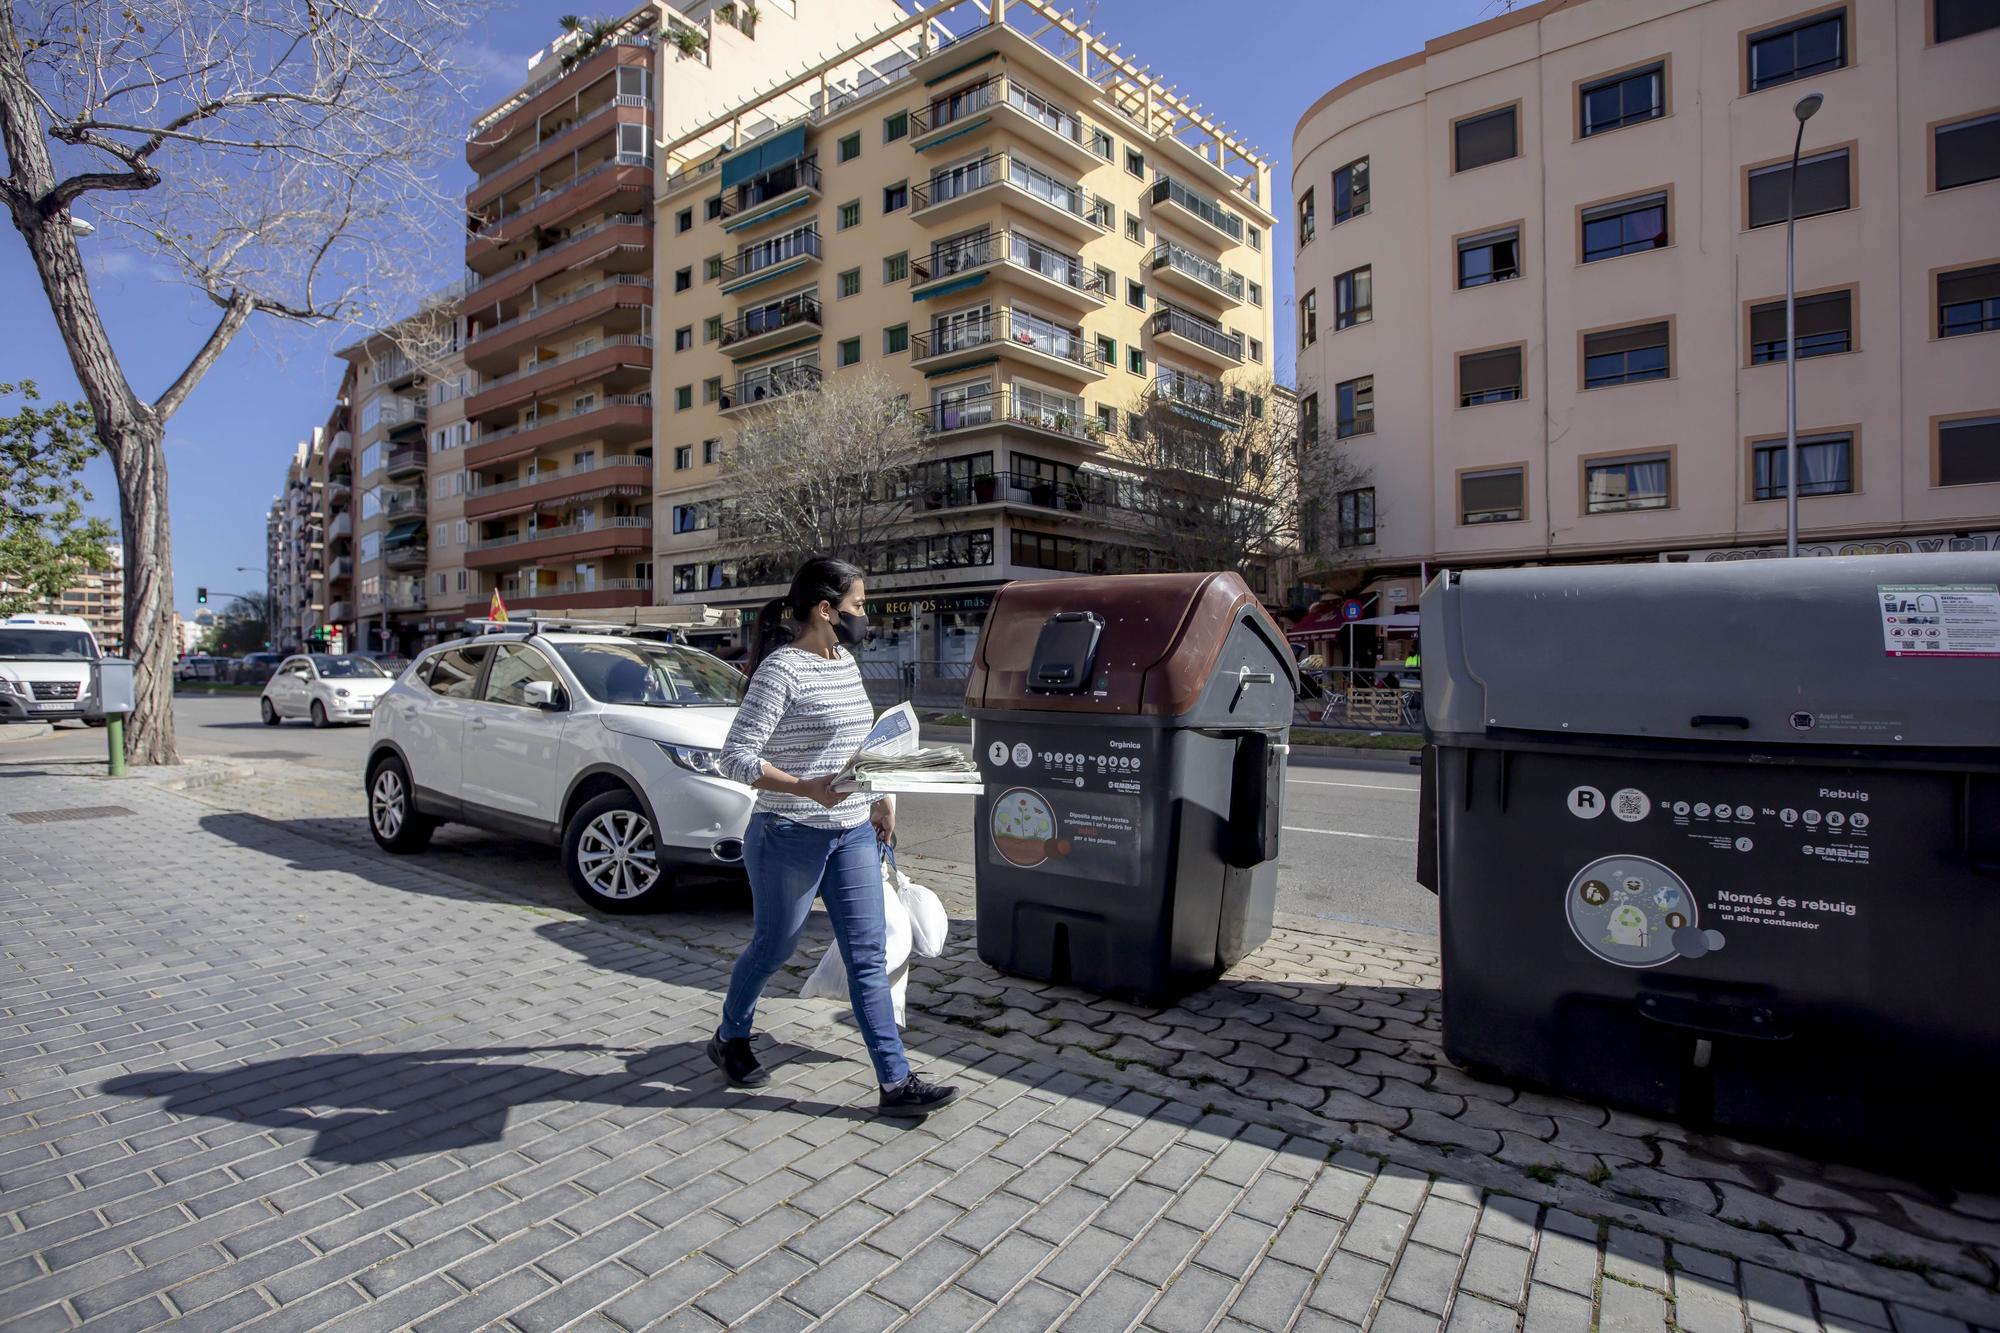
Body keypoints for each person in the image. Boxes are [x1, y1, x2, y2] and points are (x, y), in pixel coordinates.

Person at [711, 557, 961, 1116]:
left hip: (850, 834)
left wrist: (882, 798)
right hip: (787, 833)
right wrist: (805, 787)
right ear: (826, 610)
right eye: (859, 606)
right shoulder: (782, 671)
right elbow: (735, 757)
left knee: (868, 956)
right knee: (774, 946)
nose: (865, 617)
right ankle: (731, 1034)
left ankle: (896, 1083)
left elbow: (860, 745)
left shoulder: (845, 661)